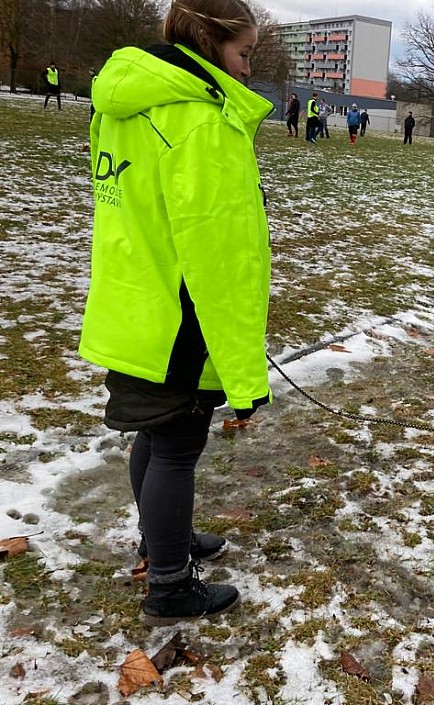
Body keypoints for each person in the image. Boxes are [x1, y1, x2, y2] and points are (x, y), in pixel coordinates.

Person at [80, 0, 273, 625]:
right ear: (209, 42)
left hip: (134, 298)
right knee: (177, 444)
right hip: (179, 311)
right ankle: (169, 583)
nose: (246, 69)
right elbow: (219, 250)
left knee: (156, 434)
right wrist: (240, 358)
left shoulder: (124, 103)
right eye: (243, 53)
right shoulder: (198, 120)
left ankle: (162, 539)